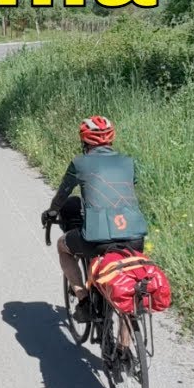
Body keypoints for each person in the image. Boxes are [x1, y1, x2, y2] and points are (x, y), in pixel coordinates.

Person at [41, 115, 149, 322]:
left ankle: (83, 301)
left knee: (62, 246)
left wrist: (52, 211)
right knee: (129, 289)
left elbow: (63, 195)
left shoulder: (79, 163)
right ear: (111, 139)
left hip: (96, 240)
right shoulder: (128, 162)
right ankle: (124, 348)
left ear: (85, 141)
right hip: (135, 237)